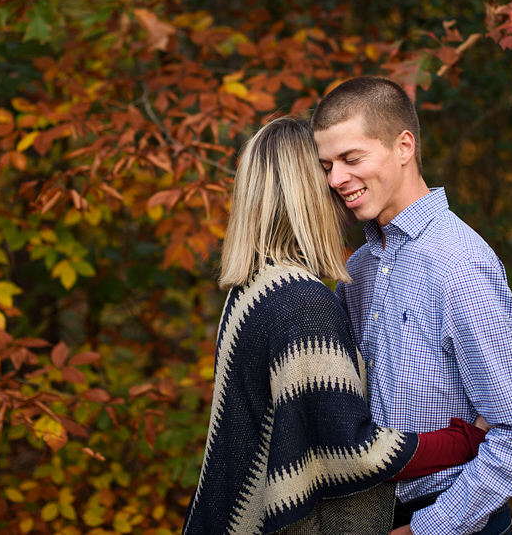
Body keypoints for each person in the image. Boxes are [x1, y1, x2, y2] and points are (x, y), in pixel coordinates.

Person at [182, 117, 488, 535]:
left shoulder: (254, 285)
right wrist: (466, 440)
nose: (341, 181)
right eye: (326, 170)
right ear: (307, 191)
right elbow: (348, 451)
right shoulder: (303, 304)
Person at [311, 77, 512, 535]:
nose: (335, 179)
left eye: (351, 159)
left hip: (452, 518)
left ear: (404, 146)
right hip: (369, 516)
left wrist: (430, 529)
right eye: (327, 165)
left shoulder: (458, 264)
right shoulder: (356, 269)